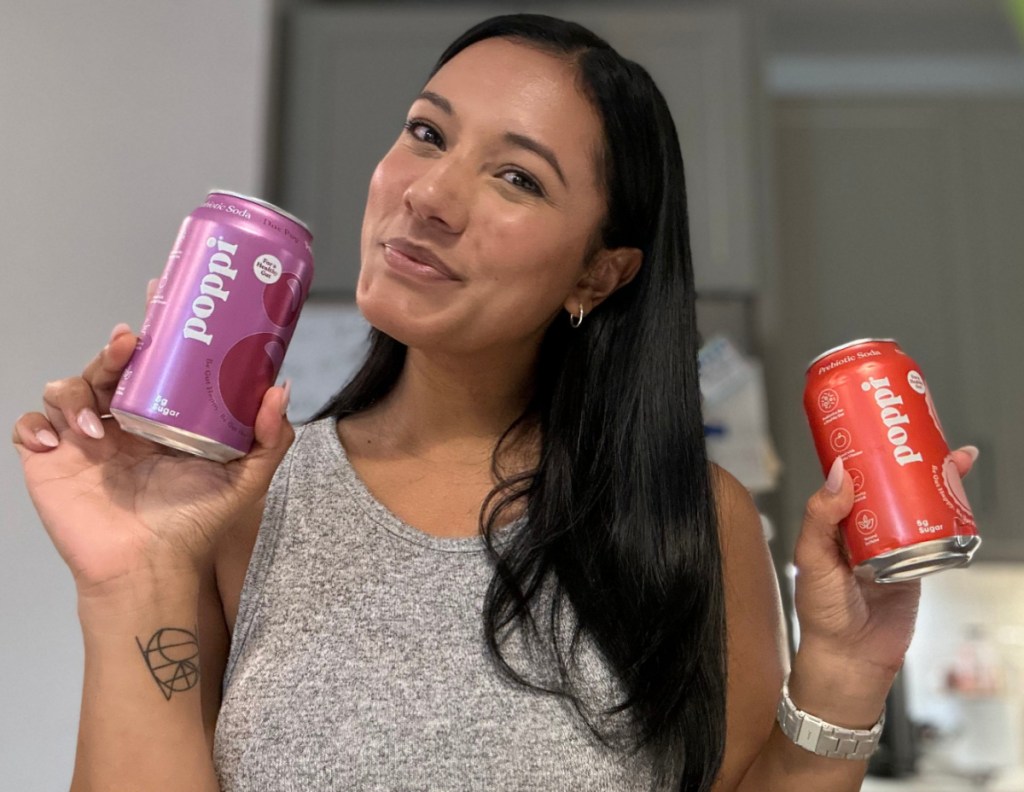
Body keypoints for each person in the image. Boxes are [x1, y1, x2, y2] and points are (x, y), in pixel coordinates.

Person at [13, 13, 977, 792]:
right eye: (427, 133)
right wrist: (130, 579)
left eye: (516, 176)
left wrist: (847, 676)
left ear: (599, 274)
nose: (428, 193)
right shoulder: (241, 499)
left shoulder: (688, 519)